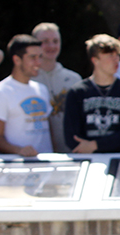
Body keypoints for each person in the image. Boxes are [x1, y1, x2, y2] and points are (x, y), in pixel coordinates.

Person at [63, 34, 120, 153]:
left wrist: (95, 145)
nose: (116, 60)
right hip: (88, 159)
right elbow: (71, 136)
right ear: (95, 60)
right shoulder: (77, 92)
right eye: (110, 55)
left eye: (117, 55)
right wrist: (88, 147)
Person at [0, 34, 52, 156]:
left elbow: (49, 129)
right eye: (33, 57)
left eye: (40, 57)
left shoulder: (41, 89)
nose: (38, 62)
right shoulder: (2, 92)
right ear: (17, 60)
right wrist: (19, 151)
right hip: (18, 166)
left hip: (46, 163)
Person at [32, 22, 83, 155]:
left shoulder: (74, 79)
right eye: (45, 41)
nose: (51, 46)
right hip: (38, 155)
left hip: (72, 153)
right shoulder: (28, 81)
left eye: (55, 41)